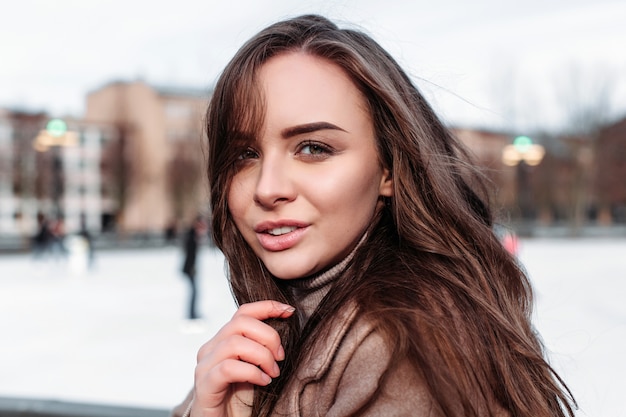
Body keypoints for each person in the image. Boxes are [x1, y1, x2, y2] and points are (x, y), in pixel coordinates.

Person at [173, 14, 575, 417]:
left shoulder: (406, 353)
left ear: (388, 169)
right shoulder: (294, 325)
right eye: (246, 155)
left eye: (313, 148)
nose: (267, 188)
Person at [182, 216, 207, 320]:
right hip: (189, 269)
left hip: (190, 268)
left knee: (195, 292)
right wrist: (191, 268)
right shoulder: (192, 236)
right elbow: (190, 255)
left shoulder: (193, 236)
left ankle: (193, 313)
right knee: (194, 292)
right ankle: (192, 314)